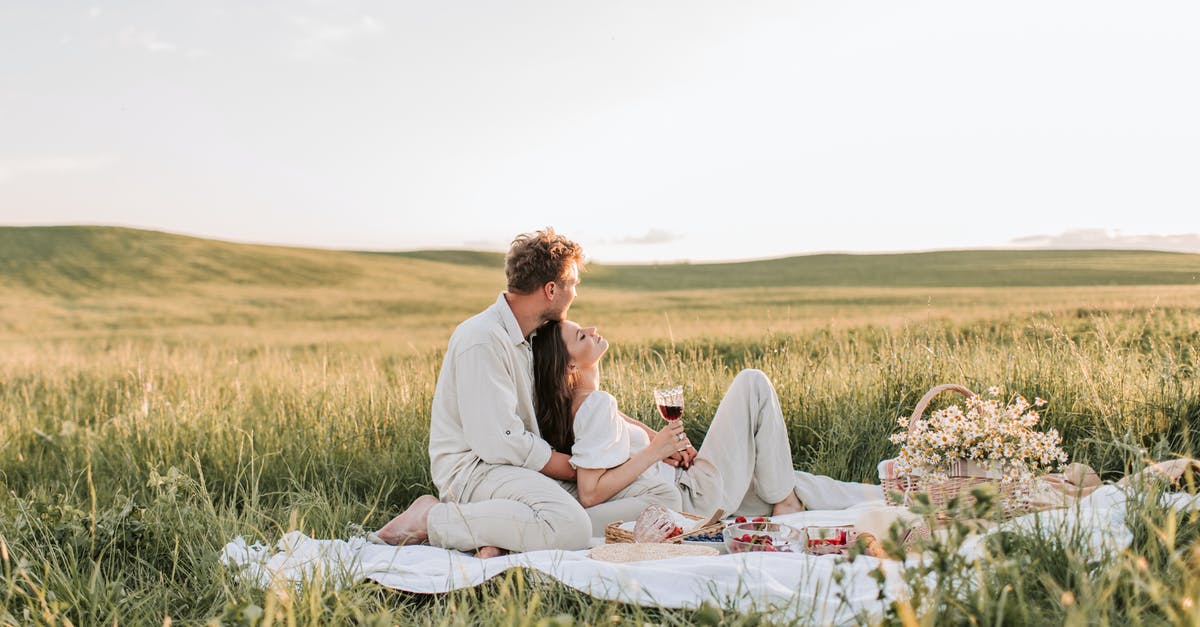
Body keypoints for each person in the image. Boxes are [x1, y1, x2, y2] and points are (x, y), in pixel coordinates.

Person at [370, 228, 676, 556]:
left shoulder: (533, 337)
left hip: (520, 469)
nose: (574, 294)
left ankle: (506, 533)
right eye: (572, 285)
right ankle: (431, 518)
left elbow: (574, 400)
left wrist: (648, 439)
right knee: (569, 527)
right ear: (550, 289)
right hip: (476, 471)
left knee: (660, 496)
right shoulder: (483, 339)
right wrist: (577, 467)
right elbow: (499, 442)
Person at [531, 319, 881, 526]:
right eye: (581, 336)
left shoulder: (589, 402)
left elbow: (614, 428)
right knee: (752, 382)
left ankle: (894, 496)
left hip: (692, 487)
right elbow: (591, 494)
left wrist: (661, 441)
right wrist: (656, 450)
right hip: (693, 497)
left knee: (792, 482)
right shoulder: (595, 406)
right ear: (571, 367)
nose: (591, 329)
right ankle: (787, 505)